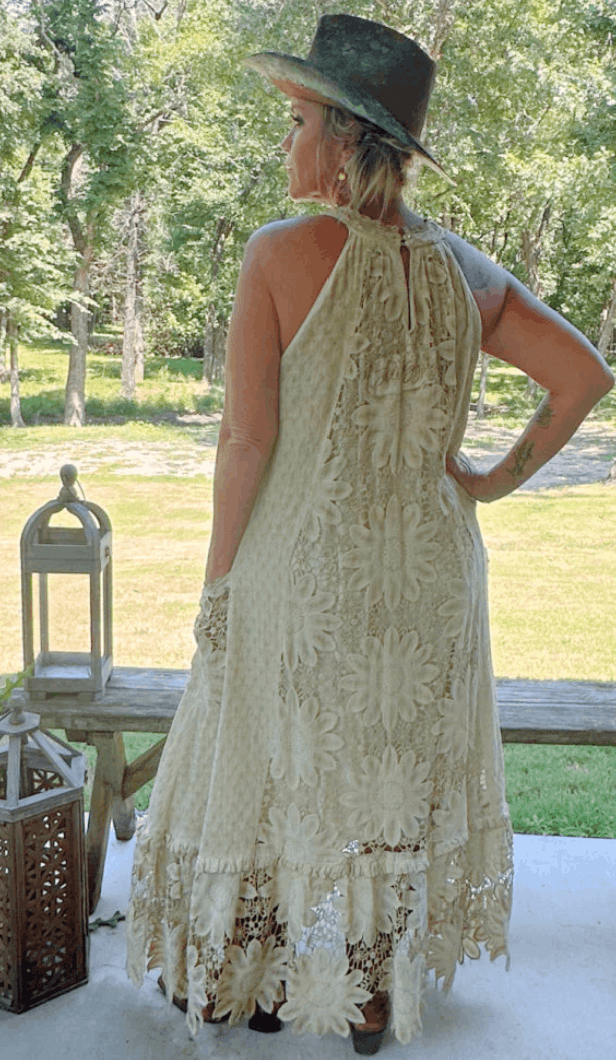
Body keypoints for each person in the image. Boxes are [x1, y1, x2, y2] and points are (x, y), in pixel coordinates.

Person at [125, 14, 613, 1056]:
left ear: (346, 140)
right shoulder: (467, 271)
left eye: (299, 121)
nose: (286, 141)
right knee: (393, 768)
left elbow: (245, 440)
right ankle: (375, 989)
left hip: (307, 566)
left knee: (274, 754)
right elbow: (582, 377)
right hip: (432, 572)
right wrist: (485, 483)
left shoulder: (277, 255)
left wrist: (218, 580)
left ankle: (243, 973)